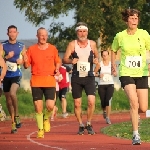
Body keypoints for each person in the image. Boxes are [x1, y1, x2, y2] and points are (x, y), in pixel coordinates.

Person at [111, 8, 150, 145]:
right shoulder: (120, 36)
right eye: (132, 18)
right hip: (126, 72)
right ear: (126, 20)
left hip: (142, 73)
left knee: (143, 108)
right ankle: (135, 134)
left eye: (136, 18)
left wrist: (149, 63)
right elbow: (113, 50)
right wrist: (113, 65)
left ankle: (135, 115)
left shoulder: (144, 34)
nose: (134, 20)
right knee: (133, 101)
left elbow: (149, 48)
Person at [23, 27, 61, 138]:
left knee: (50, 106)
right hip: (36, 81)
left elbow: (58, 61)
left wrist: (57, 68)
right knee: (38, 107)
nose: (43, 37)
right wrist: (25, 60)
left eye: (45, 35)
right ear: (37, 36)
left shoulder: (53, 48)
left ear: (47, 36)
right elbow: (26, 66)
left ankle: (46, 118)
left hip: (49, 80)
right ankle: (40, 129)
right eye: (41, 35)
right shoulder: (31, 49)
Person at [63, 22, 99, 135]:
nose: (82, 33)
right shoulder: (72, 44)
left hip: (89, 76)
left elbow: (97, 57)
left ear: (87, 32)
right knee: (77, 103)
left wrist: (96, 61)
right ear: (76, 32)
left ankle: (88, 123)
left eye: (84, 31)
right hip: (77, 76)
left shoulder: (92, 44)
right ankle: (80, 124)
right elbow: (64, 59)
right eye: (80, 31)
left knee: (91, 101)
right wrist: (70, 61)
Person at [0, 25, 26, 134]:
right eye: (10, 32)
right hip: (6, 75)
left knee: (12, 93)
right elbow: (0, 59)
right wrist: (6, 57)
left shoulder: (21, 46)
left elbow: (26, 58)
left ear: (17, 33)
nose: (12, 34)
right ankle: (13, 123)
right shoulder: (3, 45)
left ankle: (17, 115)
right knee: (8, 100)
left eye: (14, 32)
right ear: (7, 33)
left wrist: (22, 61)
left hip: (16, 74)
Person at [95, 50, 116, 125]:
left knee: (108, 100)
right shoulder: (99, 64)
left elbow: (115, 74)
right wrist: (98, 75)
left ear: (108, 55)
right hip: (101, 85)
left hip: (110, 84)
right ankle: (104, 111)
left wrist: (114, 73)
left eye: (106, 55)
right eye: (103, 55)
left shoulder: (111, 64)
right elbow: (94, 73)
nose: (105, 57)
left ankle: (108, 117)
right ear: (102, 56)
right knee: (103, 101)